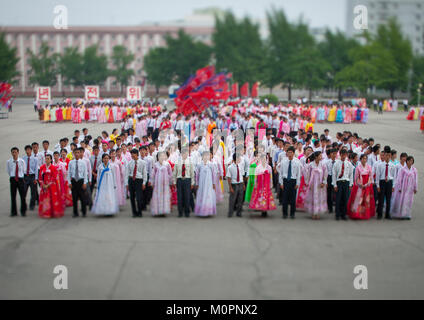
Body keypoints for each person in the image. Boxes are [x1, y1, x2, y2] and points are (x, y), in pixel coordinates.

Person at [347, 154, 375, 220]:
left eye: (365, 159)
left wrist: (367, 184)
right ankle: (356, 214)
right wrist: (360, 184)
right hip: (359, 186)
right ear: (361, 159)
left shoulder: (369, 167)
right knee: (358, 200)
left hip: (367, 185)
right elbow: (356, 177)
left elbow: (370, 177)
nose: (364, 160)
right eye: (363, 158)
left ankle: (365, 214)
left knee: (366, 200)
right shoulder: (358, 167)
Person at [38, 154, 64, 218]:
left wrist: (48, 185)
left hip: (52, 186)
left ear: (51, 160)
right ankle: (46, 212)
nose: (46, 160)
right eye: (46, 158)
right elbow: (40, 177)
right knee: (45, 199)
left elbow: (54, 178)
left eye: (48, 159)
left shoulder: (53, 168)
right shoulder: (42, 167)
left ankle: (52, 212)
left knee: (52, 199)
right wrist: (42, 184)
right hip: (44, 186)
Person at [279, 146, 301, 219]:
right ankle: (284, 213)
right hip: (285, 180)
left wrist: (297, 183)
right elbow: (281, 173)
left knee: (292, 199)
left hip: (293, 181)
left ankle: (292, 213)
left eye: (291, 152)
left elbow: (298, 174)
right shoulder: (283, 161)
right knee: (284, 198)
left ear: (294, 153)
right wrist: (281, 183)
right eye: (288, 152)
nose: (289, 154)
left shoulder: (297, 162)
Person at [304, 151, 328, 219]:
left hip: (320, 185)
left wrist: (324, 182)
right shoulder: (311, 165)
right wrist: (308, 183)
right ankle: (313, 213)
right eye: (320, 156)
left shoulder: (323, 165)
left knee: (319, 198)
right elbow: (308, 175)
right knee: (313, 198)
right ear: (316, 157)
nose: (321, 157)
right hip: (313, 184)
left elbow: (325, 174)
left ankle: (317, 213)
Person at [375, 146, 396, 220]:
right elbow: (378, 176)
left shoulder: (393, 166)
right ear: (384, 156)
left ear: (390, 156)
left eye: (389, 156)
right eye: (386, 155)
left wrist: (393, 185)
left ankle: (387, 214)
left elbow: (394, 176)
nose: (388, 157)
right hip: (382, 182)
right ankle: (379, 214)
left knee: (388, 199)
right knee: (381, 199)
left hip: (389, 182)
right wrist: (377, 185)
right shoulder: (380, 165)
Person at [332, 149, 354, 221]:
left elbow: (351, 175)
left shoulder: (349, 164)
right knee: (338, 199)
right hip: (339, 182)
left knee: (345, 199)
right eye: (342, 155)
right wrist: (335, 185)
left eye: (345, 155)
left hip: (346, 182)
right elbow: (334, 174)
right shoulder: (336, 163)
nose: (344, 156)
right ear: (340, 155)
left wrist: (351, 184)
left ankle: (343, 214)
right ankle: (337, 214)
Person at [125, 149, 147, 217]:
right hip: (131, 180)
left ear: (137, 154)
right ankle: (134, 212)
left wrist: (144, 183)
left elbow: (144, 173)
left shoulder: (143, 163)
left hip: (139, 180)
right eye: (131, 154)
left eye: (133, 154)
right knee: (132, 197)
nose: (132, 155)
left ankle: (139, 212)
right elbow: (127, 174)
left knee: (139, 197)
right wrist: (126, 184)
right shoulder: (129, 163)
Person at [194, 151, 217, 217]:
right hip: (201, 183)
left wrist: (214, 183)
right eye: (204, 156)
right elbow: (197, 175)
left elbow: (213, 175)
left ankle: (208, 211)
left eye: (207, 156)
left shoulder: (211, 164)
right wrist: (197, 183)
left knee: (208, 195)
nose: (206, 157)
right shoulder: (199, 165)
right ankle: (201, 210)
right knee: (201, 194)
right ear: (202, 157)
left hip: (209, 183)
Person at [67, 148, 88, 217]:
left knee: (83, 198)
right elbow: (69, 173)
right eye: (75, 152)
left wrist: (85, 182)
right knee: (74, 198)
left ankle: (84, 212)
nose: (77, 154)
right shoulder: (71, 162)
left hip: (80, 181)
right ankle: (75, 212)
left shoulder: (83, 162)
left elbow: (85, 173)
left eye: (78, 152)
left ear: (80, 153)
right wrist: (69, 182)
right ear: (73, 153)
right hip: (74, 181)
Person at [150, 152, 173, 216]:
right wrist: (151, 182)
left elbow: (170, 174)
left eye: (163, 156)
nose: (162, 157)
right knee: (157, 196)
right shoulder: (155, 165)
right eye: (160, 156)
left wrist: (171, 182)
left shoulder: (167, 164)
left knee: (164, 197)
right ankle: (157, 211)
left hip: (165, 184)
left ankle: (163, 211)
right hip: (157, 184)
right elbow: (153, 174)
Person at [173, 148, 194, 217]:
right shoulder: (177, 161)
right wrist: (174, 182)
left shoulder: (190, 161)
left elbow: (192, 173)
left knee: (187, 197)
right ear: (181, 154)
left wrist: (192, 183)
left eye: (186, 153)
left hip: (187, 180)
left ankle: (187, 212)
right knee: (180, 197)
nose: (185, 155)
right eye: (184, 153)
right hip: (179, 180)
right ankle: (180, 212)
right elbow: (174, 173)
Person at [7, 147, 27, 217]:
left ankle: (23, 211)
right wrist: (13, 176)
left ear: (18, 152)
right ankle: (13, 211)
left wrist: (20, 177)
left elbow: (24, 170)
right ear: (11, 153)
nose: (14, 154)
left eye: (15, 152)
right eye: (13, 152)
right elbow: (9, 171)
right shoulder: (9, 161)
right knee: (13, 196)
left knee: (22, 196)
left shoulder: (21, 161)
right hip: (13, 179)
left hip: (20, 179)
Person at [227, 153, 245, 217]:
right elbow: (229, 178)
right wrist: (230, 187)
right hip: (234, 184)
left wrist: (243, 184)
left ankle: (239, 212)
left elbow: (241, 176)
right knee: (232, 199)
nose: (240, 159)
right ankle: (230, 212)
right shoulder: (230, 167)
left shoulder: (240, 166)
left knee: (240, 199)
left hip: (240, 183)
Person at [22, 145, 39, 211]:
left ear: (31, 150)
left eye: (29, 150)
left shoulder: (35, 159)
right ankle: (24, 204)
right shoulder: (23, 158)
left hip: (32, 176)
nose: (28, 151)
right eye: (26, 150)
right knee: (24, 192)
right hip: (25, 176)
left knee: (33, 192)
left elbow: (36, 169)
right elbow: (22, 168)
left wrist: (36, 178)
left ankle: (32, 205)